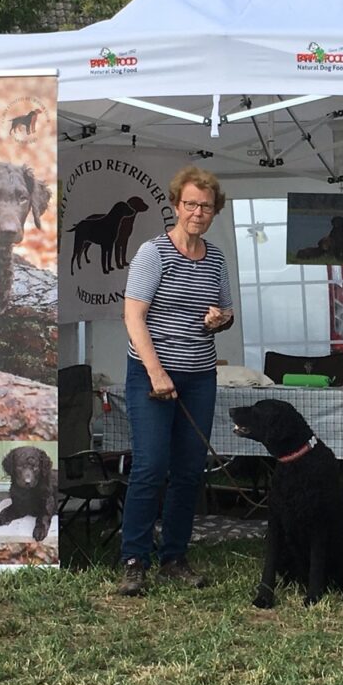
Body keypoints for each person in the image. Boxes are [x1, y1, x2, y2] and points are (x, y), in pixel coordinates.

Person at [118, 165, 234, 596]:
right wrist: (155, 371)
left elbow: (225, 312)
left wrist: (219, 320)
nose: (197, 213)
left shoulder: (216, 257)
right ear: (176, 205)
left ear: (214, 211)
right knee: (150, 467)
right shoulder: (153, 252)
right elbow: (133, 315)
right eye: (190, 204)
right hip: (152, 372)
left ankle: (174, 557)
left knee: (189, 470)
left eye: (206, 206)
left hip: (200, 374)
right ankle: (133, 558)